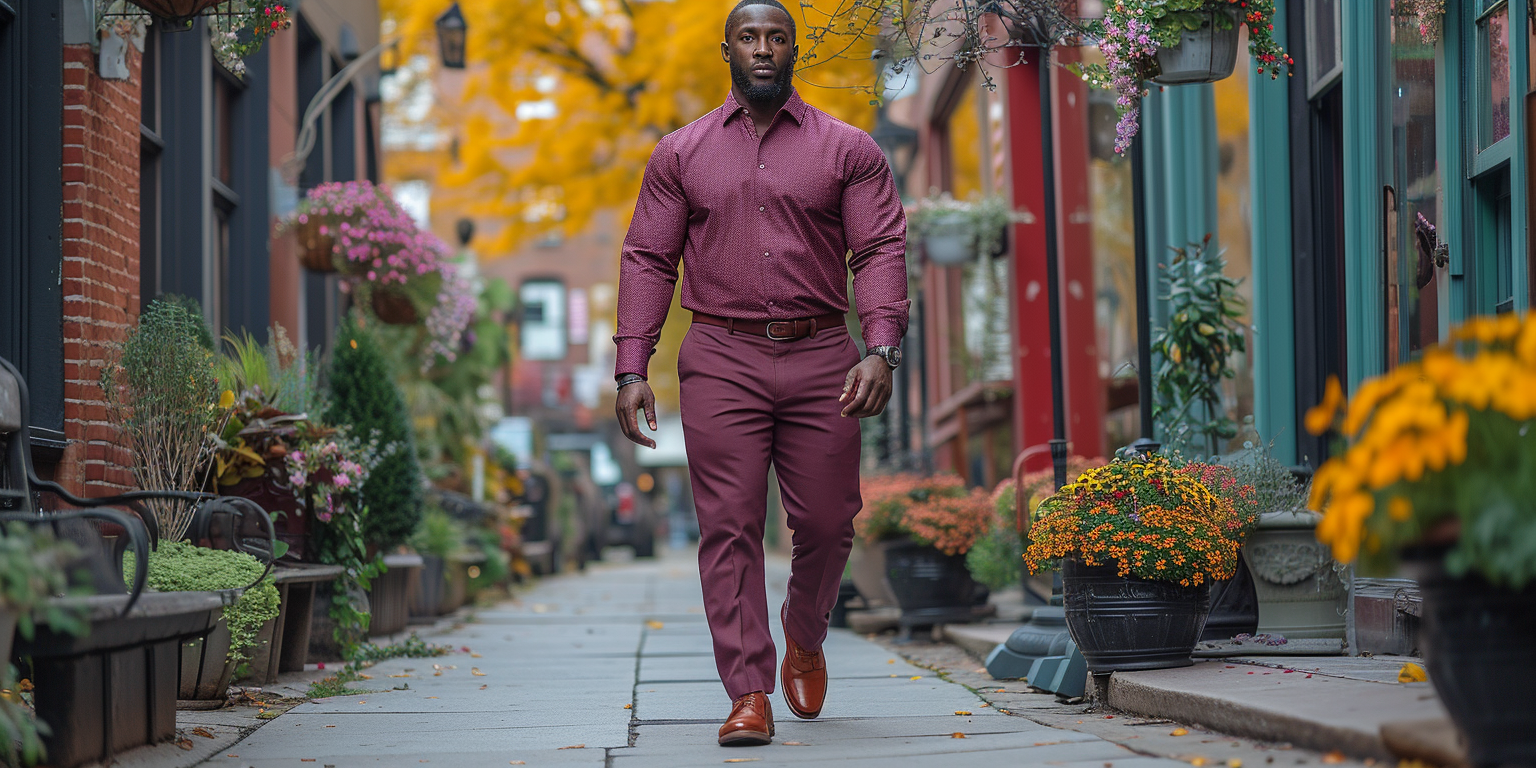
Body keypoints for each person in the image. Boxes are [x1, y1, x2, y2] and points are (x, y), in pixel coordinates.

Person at [611, 0, 909, 748]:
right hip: (720, 354)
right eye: (750, 37)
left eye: (777, 37)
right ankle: (749, 690)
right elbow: (649, 256)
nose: (764, 49)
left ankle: (804, 632)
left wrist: (880, 346)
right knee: (729, 526)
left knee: (828, 520)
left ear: (794, 50)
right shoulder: (679, 153)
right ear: (729, 51)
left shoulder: (849, 149)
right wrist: (630, 366)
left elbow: (877, 250)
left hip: (821, 354)